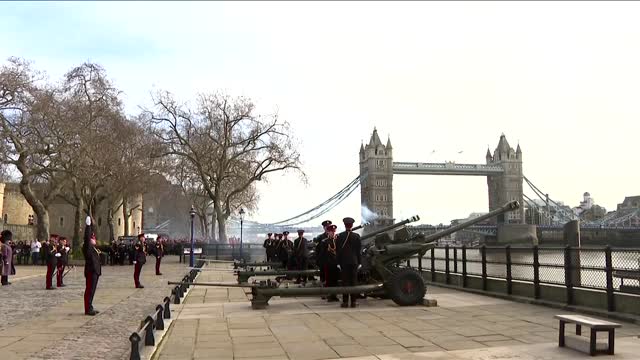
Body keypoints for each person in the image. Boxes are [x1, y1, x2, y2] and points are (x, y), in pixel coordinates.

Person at [336, 217, 362, 308]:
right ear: (352, 225)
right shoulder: (357, 236)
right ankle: (354, 302)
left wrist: (338, 262)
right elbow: (359, 251)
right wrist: (360, 262)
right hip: (354, 262)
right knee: (354, 282)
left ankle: (345, 302)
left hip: (344, 262)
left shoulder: (340, 236)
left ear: (345, 225)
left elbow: (338, 251)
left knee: (345, 282)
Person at [83, 216, 101, 316]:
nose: (95, 239)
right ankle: (88, 308)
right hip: (91, 271)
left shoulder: (94, 248)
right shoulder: (87, 247)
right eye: (93, 238)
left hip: (95, 271)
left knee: (92, 290)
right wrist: (88, 226)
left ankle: (90, 306)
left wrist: (93, 225)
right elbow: (86, 237)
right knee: (89, 290)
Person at [324, 224, 340, 302]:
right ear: (328, 232)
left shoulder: (337, 241)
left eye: (334, 231)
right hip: (328, 263)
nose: (333, 233)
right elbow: (321, 254)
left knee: (335, 280)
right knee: (329, 280)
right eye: (331, 232)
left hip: (336, 263)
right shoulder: (325, 242)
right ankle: (329, 295)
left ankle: (334, 295)